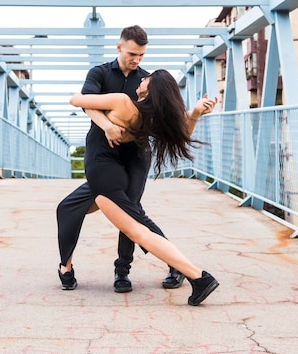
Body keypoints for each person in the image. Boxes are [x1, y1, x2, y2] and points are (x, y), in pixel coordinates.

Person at [69, 69, 219, 306]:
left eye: (146, 80)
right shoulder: (150, 116)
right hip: (109, 173)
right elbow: (182, 132)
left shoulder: (125, 102)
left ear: (150, 89)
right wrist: (195, 113)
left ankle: (198, 276)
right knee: (137, 226)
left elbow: (76, 100)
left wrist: (106, 123)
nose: (141, 78)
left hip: (103, 174)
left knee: (137, 230)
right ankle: (194, 275)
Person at [57, 25, 183, 293]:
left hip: (136, 154)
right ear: (119, 47)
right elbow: (86, 102)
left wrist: (192, 115)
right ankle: (65, 266)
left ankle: (123, 271)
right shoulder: (100, 73)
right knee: (70, 207)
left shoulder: (146, 80)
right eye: (132, 54)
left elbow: (162, 115)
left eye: (141, 55)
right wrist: (107, 126)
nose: (137, 60)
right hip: (104, 153)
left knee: (131, 209)